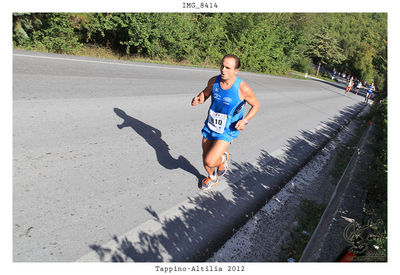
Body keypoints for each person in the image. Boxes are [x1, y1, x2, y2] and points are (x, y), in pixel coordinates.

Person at [191, 54, 260, 190]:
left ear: (236, 71)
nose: (223, 70)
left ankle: (222, 159)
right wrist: (198, 99)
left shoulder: (243, 88)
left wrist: (245, 120)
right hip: (211, 125)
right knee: (205, 156)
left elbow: (256, 105)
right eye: (222, 66)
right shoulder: (214, 81)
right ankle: (212, 178)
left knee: (209, 160)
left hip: (228, 129)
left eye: (228, 68)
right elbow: (205, 93)